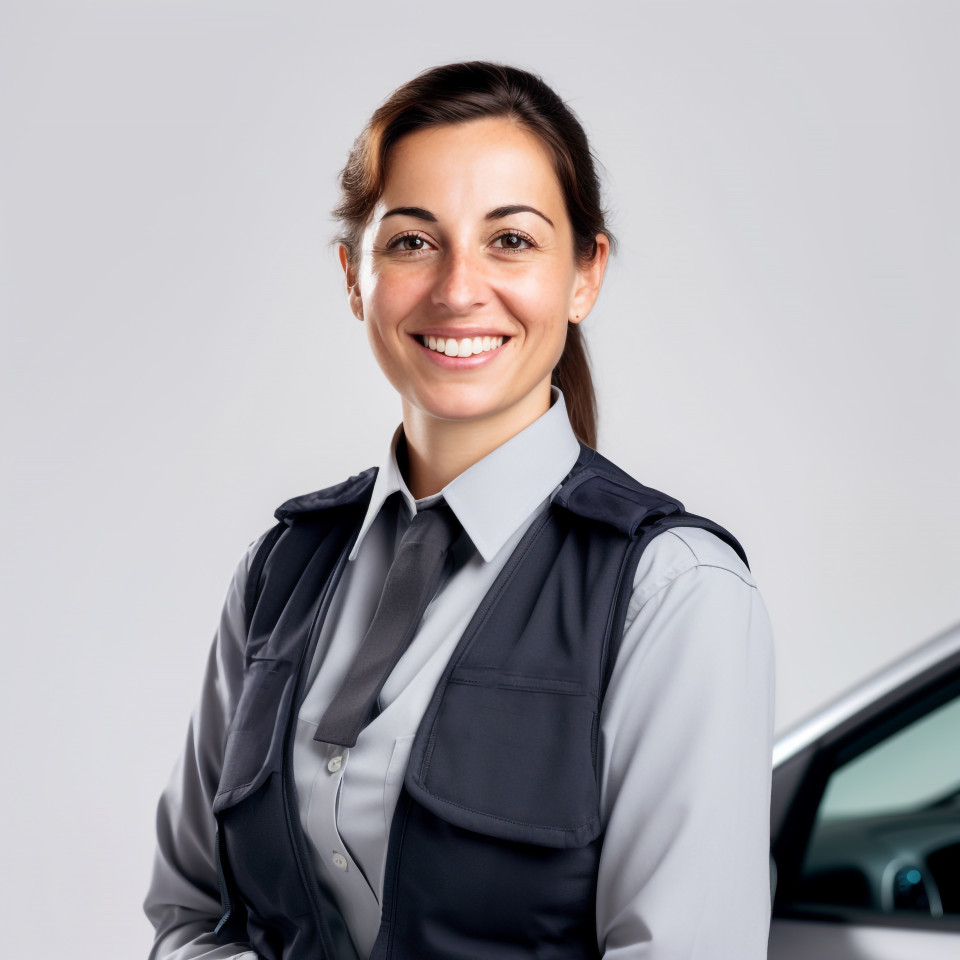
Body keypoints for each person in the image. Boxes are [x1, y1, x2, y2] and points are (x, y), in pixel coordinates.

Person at [145, 61, 775, 959]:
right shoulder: (278, 572)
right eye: (411, 242)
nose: (457, 289)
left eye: (511, 241)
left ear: (585, 274)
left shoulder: (674, 597)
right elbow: (188, 915)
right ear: (354, 277)